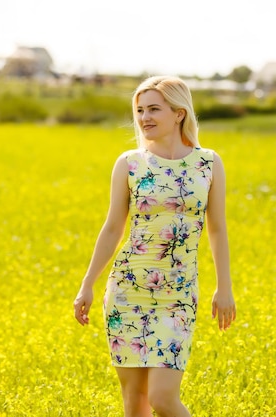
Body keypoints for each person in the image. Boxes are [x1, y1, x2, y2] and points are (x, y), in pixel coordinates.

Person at [73, 75, 236, 417]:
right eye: (140, 110)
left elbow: (217, 229)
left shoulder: (208, 163)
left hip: (177, 294)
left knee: (162, 398)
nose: (144, 117)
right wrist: (87, 284)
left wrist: (225, 288)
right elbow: (113, 227)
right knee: (135, 400)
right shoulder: (130, 163)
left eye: (153, 109)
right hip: (127, 290)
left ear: (178, 113)